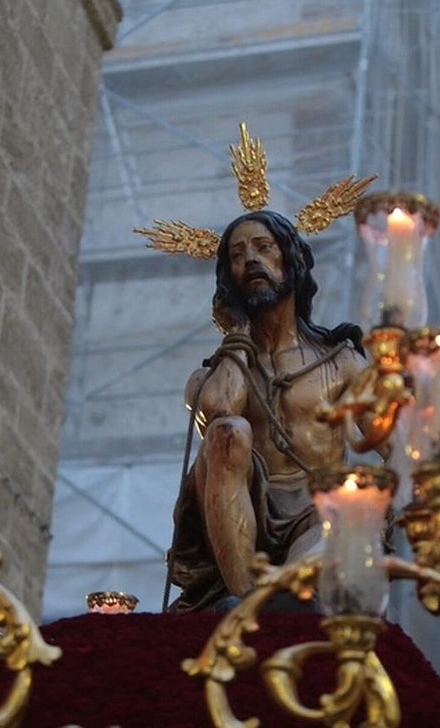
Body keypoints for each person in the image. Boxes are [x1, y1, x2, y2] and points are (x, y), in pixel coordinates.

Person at [168, 210, 366, 613]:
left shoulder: (341, 362)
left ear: (289, 258)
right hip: (243, 517)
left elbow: (397, 445)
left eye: (263, 248)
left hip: (317, 513)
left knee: (304, 583)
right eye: (238, 255)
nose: (251, 261)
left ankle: (268, 603)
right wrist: (238, 336)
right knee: (229, 430)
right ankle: (246, 605)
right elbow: (219, 410)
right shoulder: (211, 377)